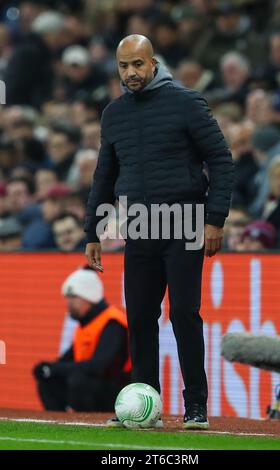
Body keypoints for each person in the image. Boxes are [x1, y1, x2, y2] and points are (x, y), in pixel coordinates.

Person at [85, 35, 234, 429]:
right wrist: (93, 231)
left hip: (184, 222)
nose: (130, 73)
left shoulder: (186, 102)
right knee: (140, 318)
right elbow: (105, 175)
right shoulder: (113, 114)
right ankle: (144, 405)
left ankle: (196, 407)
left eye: (137, 64)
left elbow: (220, 158)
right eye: (123, 66)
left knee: (184, 314)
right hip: (138, 226)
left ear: (153, 64)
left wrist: (215, 218)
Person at [33, 267, 131, 412]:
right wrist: (48, 369)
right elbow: (66, 360)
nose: (68, 303)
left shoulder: (112, 323)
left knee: (79, 380)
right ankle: (60, 425)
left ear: (89, 297)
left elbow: (100, 366)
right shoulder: (85, 325)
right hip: (96, 385)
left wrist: (54, 369)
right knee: (48, 380)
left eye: (73, 297)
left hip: (119, 392)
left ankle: (89, 425)